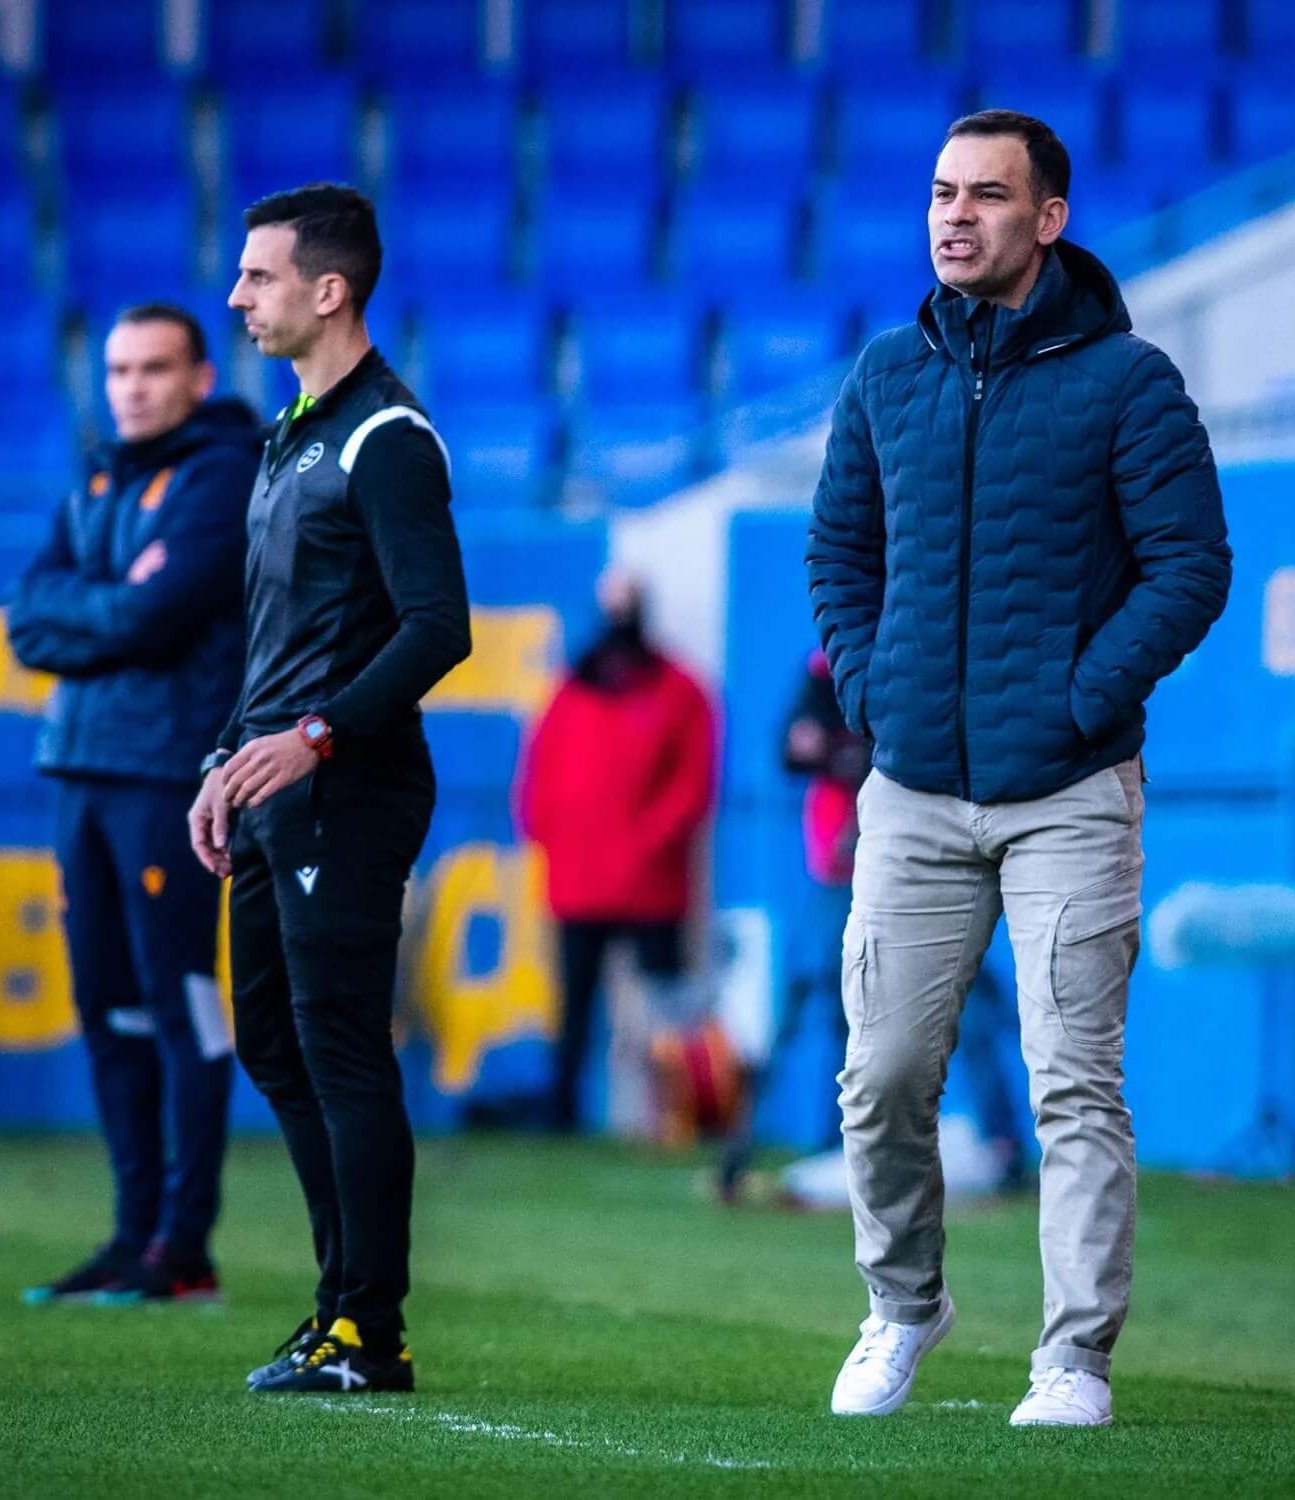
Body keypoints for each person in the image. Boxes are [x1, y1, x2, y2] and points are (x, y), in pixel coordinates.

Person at [806, 110, 1231, 1428]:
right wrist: (873, 693)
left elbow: (1191, 567)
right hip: (913, 789)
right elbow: (838, 555)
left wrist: (1079, 701)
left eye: (987, 196)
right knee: (880, 1078)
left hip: (1071, 794)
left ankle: (1074, 1360)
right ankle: (902, 1307)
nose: (956, 216)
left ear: (1049, 219)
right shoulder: (886, 373)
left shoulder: (1129, 381)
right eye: (942, 193)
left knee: (1073, 1085)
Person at [189, 184, 471, 1396]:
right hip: (271, 784)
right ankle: (336, 1308)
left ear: (330, 288)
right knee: (272, 1042)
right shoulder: (294, 430)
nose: (237, 298)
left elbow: (438, 626)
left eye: (257, 277)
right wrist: (226, 757)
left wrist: (313, 736)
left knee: (341, 1048)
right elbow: (275, 637)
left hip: (347, 789)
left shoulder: (386, 437)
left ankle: (370, 1332)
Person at [7, 304, 260, 1306]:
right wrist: (107, 607)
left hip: (166, 773)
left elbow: (157, 614)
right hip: (81, 767)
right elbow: (27, 619)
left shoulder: (220, 473)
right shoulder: (100, 473)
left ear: (200, 377)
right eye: (118, 370)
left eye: (155, 368)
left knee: (176, 1002)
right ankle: (131, 1234)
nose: (134, 388)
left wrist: (93, 609)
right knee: (107, 1009)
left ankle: (184, 1247)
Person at [717, 651, 1024, 1201]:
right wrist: (855, 755)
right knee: (832, 1005)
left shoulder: (925, 657)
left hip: (924, 858)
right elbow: (795, 749)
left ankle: (1003, 1147)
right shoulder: (829, 667)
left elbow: (922, 750)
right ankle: (824, 1145)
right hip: (844, 869)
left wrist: (849, 754)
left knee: (968, 1000)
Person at [516, 570, 718, 1134]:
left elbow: (692, 786)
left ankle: (681, 1113)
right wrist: (552, 838)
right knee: (575, 1003)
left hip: (650, 884)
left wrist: (646, 843)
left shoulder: (680, 691)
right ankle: (561, 1113)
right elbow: (537, 779)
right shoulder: (571, 691)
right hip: (579, 880)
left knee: (667, 1003)